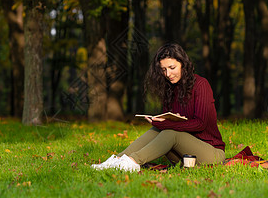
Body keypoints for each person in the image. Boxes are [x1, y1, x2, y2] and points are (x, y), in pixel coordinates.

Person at [92, 43, 226, 172]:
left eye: (172, 68)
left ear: (183, 64)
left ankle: (132, 162)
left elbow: (200, 124)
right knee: (158, 128)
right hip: (182, 156)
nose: (168, 74)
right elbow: (170, 125)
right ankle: (118, 159)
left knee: (169, 131)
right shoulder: (170, 89)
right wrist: (162, 122)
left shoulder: (201, 85)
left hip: (211, 153)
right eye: (163, 70)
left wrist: (166, 124)